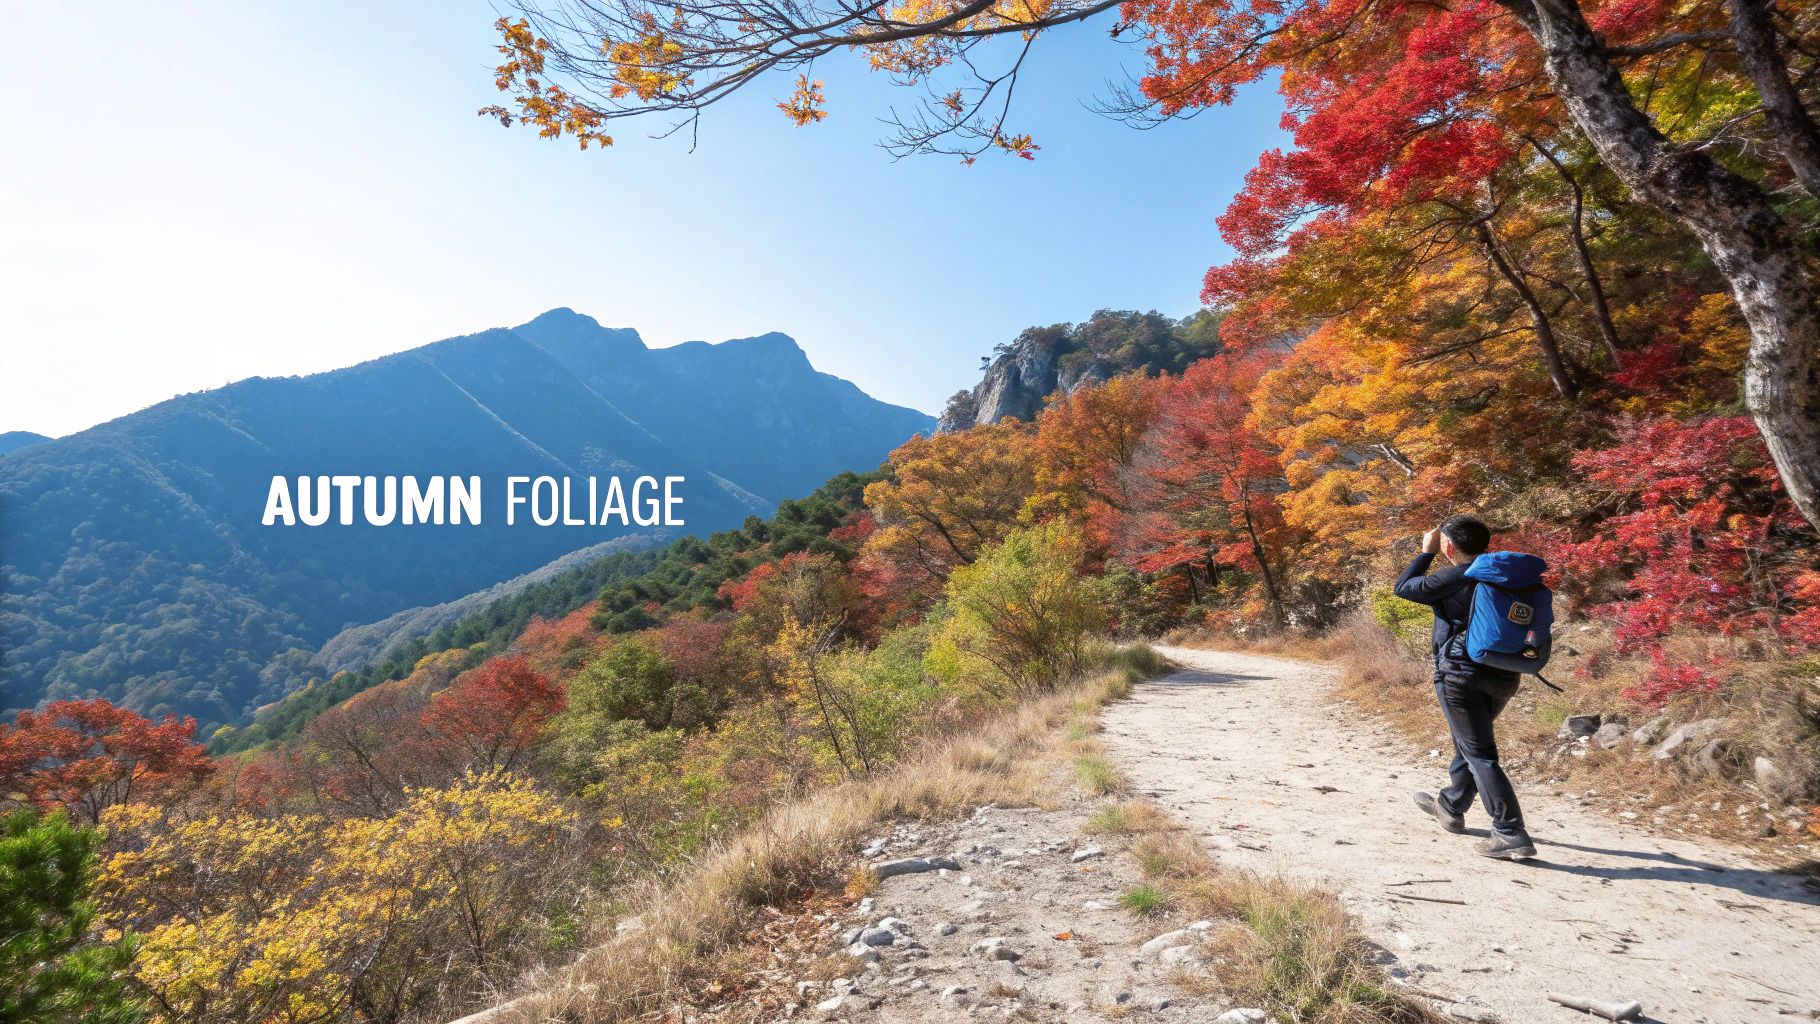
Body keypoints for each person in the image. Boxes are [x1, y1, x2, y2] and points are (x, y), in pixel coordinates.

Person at [1393, 515, 1537, 860]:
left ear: (1449, 546)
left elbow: (1404, 587)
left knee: (1479, 752)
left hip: (1460, 675)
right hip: (1505, 673)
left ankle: (1510, 831)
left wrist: (1425, 552)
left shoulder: (1457, 575)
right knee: (1470, 742)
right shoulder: (1505, 575)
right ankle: (1451, 804)